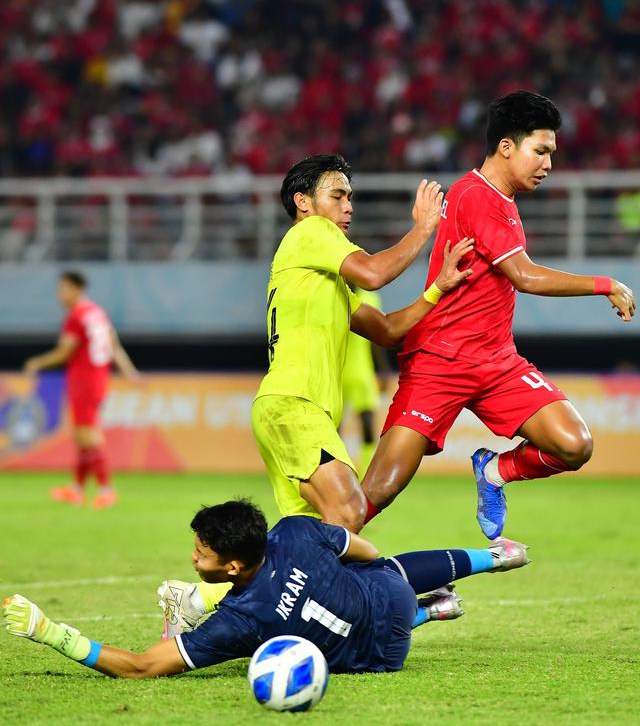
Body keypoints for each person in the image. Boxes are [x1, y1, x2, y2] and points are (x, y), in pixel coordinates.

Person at [361, 91, 636, 539]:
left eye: (552, 153)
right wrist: (604, 284)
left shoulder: (500, 199)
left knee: (574, 444)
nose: (548, 164)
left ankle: (494, 471)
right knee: (377, 491)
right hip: (439, 362)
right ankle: (292, 569)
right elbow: (524, 276)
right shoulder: (476, 196)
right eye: (540, 151)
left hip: (496, 362)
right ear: (507, 146)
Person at [2, 499, 530, 677]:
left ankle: (430, 614)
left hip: (383, 656)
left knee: (331, 629)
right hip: (386, 599)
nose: (192, 557)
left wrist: (50, 632)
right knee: (386, 568)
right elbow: (364, 552)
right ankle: (493, 556)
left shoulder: (239, 621)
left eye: (201, 554)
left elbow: (142, 666)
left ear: (232, 567)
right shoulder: (295, 531)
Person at [251, 153, 474, 531]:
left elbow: (386, 330)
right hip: (295, 404)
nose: (348, 207)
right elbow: (372, 273)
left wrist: (437, 289)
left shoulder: (322, 280)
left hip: (288, 408)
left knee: (311, 536)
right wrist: (423, 229)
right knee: (350, 509)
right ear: (303, 202)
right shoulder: (311, 231)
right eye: (337, 196)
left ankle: (206, 593)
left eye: (349, 198)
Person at [23, 271, 142, 508]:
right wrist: (130, 372)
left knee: (89, 434)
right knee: (81, 436)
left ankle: (106, 490)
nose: (59, 295)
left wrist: (37, 362)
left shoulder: (76, 317)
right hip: (98, 379)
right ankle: (76, 489)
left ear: (76, 288)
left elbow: (64, 352)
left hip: (84, 380)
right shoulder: (97, 313)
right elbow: (114, 347)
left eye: (63, 289)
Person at [341, 286, 390, 476]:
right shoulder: (334, 293)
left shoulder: (371, 299)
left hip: (362, 370)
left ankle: (366, 474)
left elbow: (376, 337)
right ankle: (339, 474)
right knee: (334, 428)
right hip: (337, 371)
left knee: (368, 425)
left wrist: (383, 369)